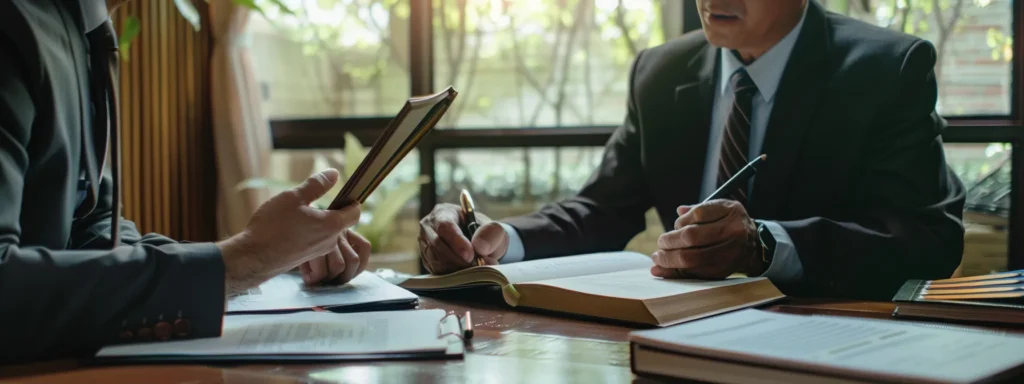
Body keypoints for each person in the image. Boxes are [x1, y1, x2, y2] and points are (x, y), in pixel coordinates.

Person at [419, 0, 966, 301]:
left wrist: (765, 245)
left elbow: (929, 241)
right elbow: (602, 209)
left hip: (831, 342)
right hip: (675, 337)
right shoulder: (660, 72)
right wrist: (496, 239)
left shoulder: (887, 69)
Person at [0, 0, 369, 361]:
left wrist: (276, 254)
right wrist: (242, 259)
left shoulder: (81, 27)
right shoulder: (15, 27)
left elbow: (92, 231)